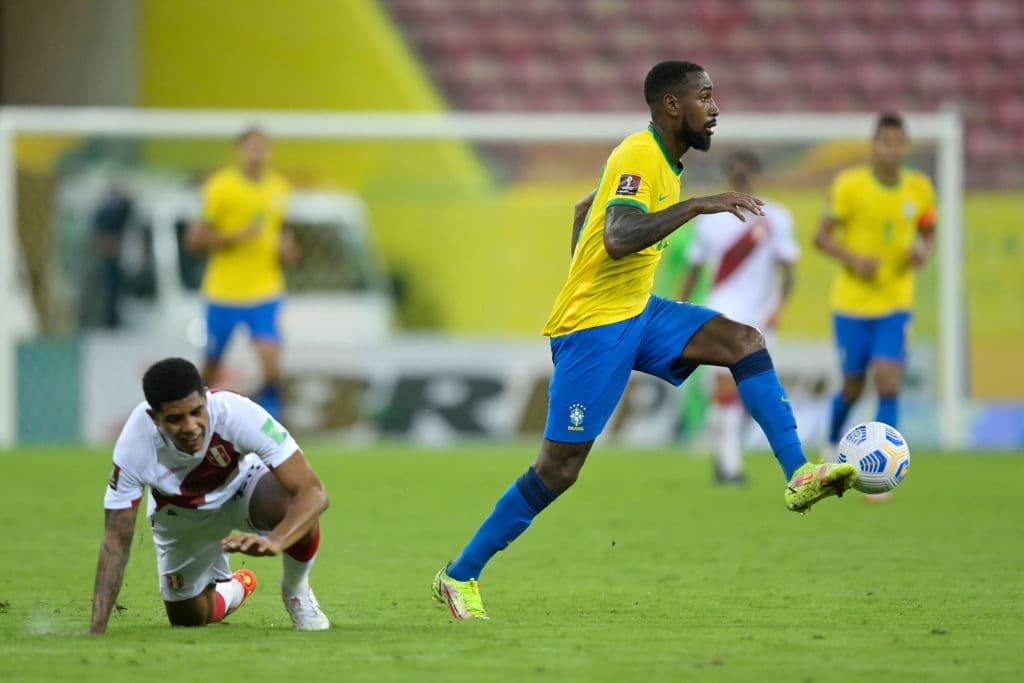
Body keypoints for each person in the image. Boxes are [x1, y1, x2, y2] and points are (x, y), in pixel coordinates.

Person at [432, 61, 857, 620]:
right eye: (705, 97)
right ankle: (459, 575)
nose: (716, 108)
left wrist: (592, 230)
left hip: (638, 311)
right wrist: (699, 205)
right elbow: (617, 236)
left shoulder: (658, 160)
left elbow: (593, 211)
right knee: (558, 470)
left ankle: (799, 473)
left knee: (744, 342)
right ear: (672, 106)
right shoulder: (641, 153)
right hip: (596, 328)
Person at [87, 357, 330, 633]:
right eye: (175, 419)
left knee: (289, 501)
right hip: (180, 516)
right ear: (154, 418)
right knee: (189, 619)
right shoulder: (134, 445)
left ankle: (296, 590)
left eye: (196, 412)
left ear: (205, 397)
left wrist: (276, 540)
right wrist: (96, 628)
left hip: (241, 488)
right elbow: (116, 540)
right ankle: (235, 589)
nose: (190, 426)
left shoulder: (235, 411)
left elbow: (314, 492)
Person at [814, 113, 937, 473]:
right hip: (851, 304)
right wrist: (852, 259)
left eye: (899, 143)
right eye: (886, 142)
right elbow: (821, 236)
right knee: (852, 385)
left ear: (906, 147)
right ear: (873, 146)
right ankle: (832, 440)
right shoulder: (850, 185)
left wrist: (922, 251)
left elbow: (929, 231)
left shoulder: (919, 188)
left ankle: (885, 467)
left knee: (888, 378)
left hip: (895, 302)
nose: (892, 150)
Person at [680, 151, 799, 484]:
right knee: (725, 385)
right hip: (724, 308)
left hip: (761, 312)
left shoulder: (777, 217)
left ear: (758, 176)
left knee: (753, 392)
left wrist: (781, 305)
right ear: (728, 176)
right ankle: (729, 464)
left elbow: (789, 268)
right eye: (736, 173)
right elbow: (694, 269)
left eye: (747, 173)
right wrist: (680, 309)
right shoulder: (710, 219)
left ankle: (724, 445)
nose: (742, 179)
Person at [185, 127, 300, 421]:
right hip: (224, 292)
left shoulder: (279, 188)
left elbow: (283, 234)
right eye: (251, 147)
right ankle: (194, 417)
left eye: (262, 147)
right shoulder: (222, 187)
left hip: (265, 291)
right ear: (239, 151)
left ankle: (274, 424)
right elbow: (194, 239)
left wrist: (288, 251)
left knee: (271, 362)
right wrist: (236, 237)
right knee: (212, 365)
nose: (257, 153)